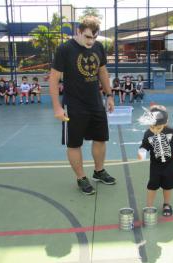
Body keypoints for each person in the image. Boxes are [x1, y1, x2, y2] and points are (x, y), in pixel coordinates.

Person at [49, 16, 116, 195]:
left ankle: (99, 171)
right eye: (87, 37)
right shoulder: (65, 49)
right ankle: (81, 177)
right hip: (74, 105)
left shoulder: (98, 47)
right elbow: (54, 79)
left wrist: (109, 95)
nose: (91, 41)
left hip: (95, 101)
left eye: (94, 37)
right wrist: (57, 107)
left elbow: (102, 71)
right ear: (78, 32)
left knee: (101, 138)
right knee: (74, 143)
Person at [138, 105, 173, 216]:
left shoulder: (172, 131)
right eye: (153, 127)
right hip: (155, 167)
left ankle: (166, 204)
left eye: (159, 127)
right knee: (152, 186)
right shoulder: (148, 133)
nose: (156, 130)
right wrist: (141, 152)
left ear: (166, 122)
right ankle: (149, 207)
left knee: (168, 186)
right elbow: (144, 146)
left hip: (169, 166)